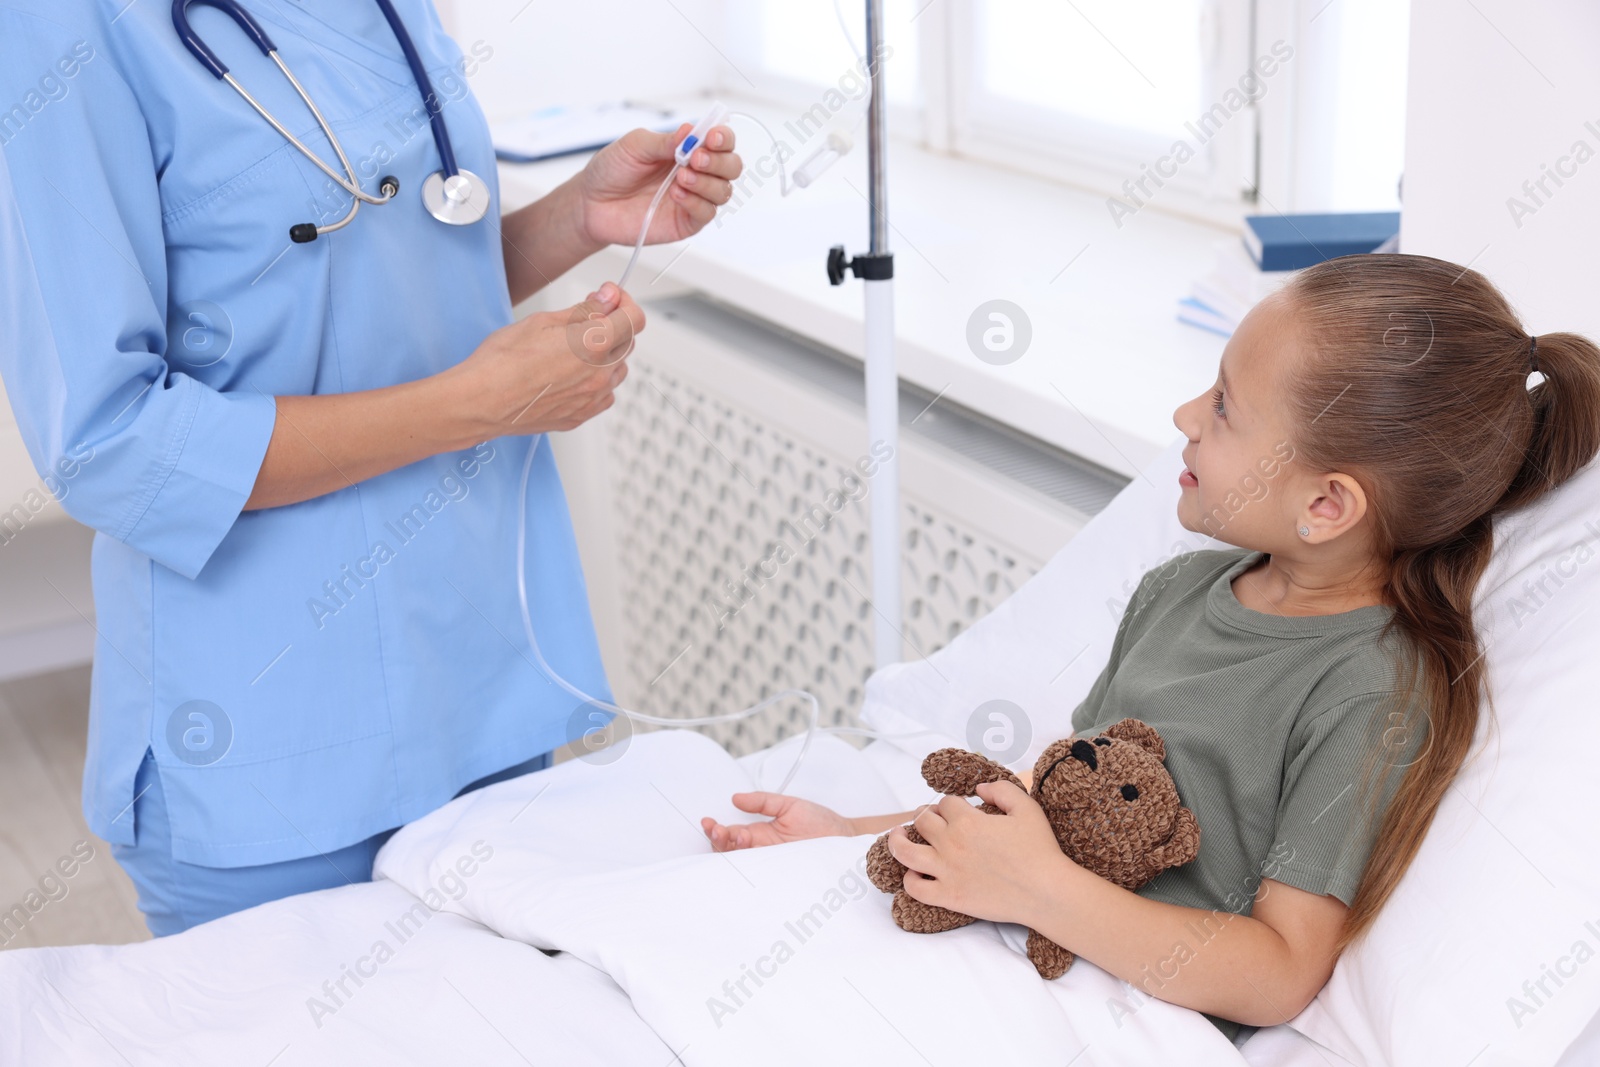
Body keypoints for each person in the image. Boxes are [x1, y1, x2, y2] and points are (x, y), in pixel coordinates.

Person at [702, 254, 1600, 1039]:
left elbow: (1283, 970)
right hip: (1020, 941)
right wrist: (860, 831)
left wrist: (1037, 893)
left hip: (1122, 1011)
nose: (1183, 414)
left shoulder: (1369, 691)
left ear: (1326, 505)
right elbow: (1060, 797)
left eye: (1223, 406)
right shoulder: (1179, 589)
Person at [0, 0, 741, 934]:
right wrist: (475, 405)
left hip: (477, 673)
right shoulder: (58, 27)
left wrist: (581, 217)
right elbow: (112, 445)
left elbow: (378, 287)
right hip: (272, 728)